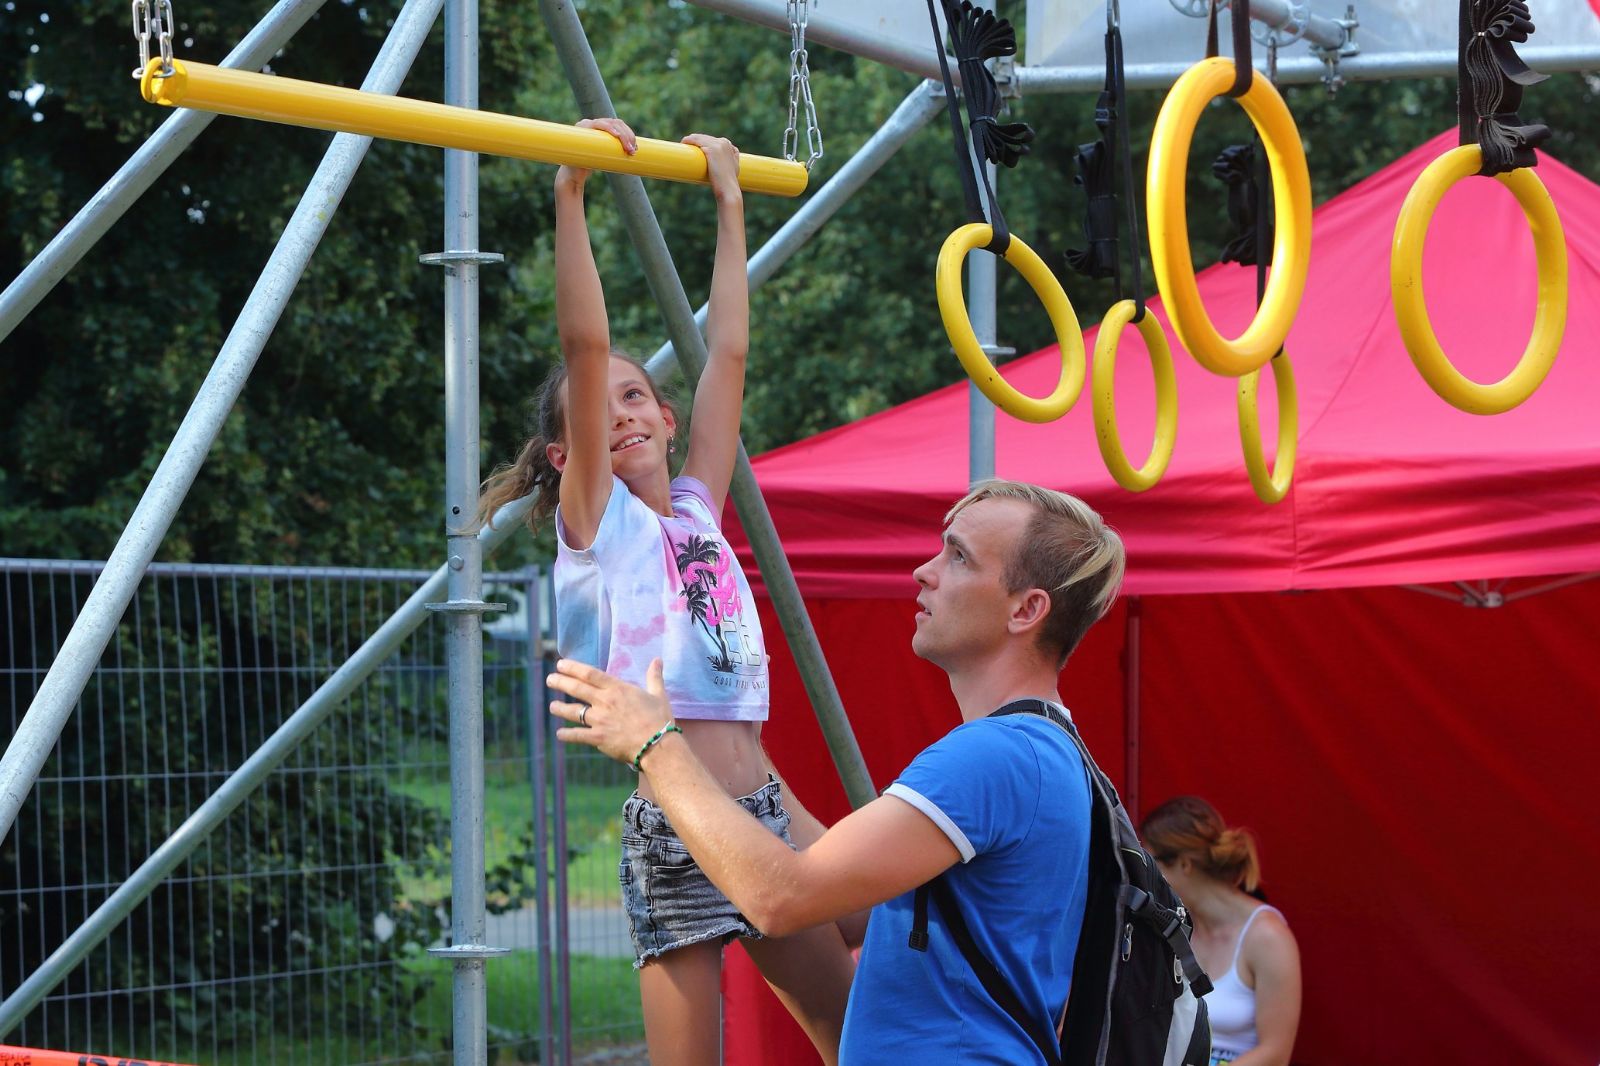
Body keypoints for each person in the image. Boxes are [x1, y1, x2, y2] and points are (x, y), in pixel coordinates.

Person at [477, 118, 854, 1065]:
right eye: (600, 410)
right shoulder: (600, 525)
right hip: (677, 823)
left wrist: (730, 205)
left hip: (759, 805)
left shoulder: (695, 511)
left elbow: (725, 355)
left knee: (860, 1020)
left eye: (638, 398)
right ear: (568, 458)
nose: (622, 412)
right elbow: (586, 340)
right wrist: (571, 194)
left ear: (667, 417)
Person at [546, 478, 1127, 1062]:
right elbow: (855, 907)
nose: (925, 572)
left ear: (1026, 610)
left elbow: (779, 898)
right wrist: (728, 731)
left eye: (958, 557)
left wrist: (657, 745)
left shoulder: (991, 757)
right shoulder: (1042, 748)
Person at [1141, 796, 1302, 1066]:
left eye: (1151, 862)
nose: (1147, 877)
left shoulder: (1267, 937)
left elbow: (1276, 1053)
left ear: (1184, 864)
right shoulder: (1173, 927)